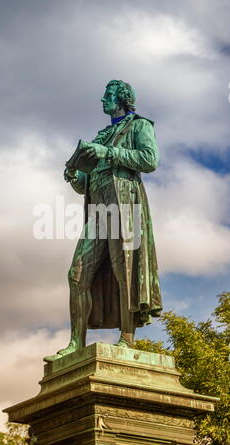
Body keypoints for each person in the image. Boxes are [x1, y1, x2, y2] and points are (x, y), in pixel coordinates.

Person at [44, 80, 162, 362]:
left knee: (126, 272)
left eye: (107, 95)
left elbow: (150, 159)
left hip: (126, 205)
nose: (102, 100)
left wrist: (107, 153)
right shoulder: (101, 135)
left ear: (122, 99)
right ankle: (76, 343)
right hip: (98, 212)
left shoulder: (139, 126)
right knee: (77, 274)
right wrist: (76, 177)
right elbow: (87, 182)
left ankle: (127, 338)